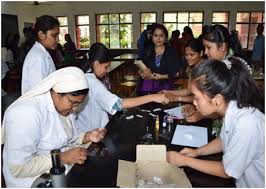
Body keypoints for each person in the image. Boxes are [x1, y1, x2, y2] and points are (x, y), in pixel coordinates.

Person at [2, 67, 107, 187]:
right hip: (31, 181)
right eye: (73, 103)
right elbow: (19, 168)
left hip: (60, 171)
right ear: (57, 93)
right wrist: (62, 158)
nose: (75, 109)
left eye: (78, 104)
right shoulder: (26, 113)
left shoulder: (64, 107)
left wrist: (87, 136)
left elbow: (65, 137)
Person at [167, 59, 264, 188]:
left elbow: (226, 171)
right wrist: (198, 152)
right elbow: (224, 139)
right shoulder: (233, 109)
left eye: (196, 98)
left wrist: (185, 160)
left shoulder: (246, 124)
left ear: (217, 99)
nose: (194, 103)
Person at [75, 43, 170, 132]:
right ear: (96, 64)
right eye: (105, 67)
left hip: (92, 127)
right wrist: (152, 97)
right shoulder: (92, 82)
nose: (106, 71)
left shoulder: (86, 76)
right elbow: (117, 105)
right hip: (92, 130)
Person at [182, 24, 255, 123]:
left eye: (208, 47)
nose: (206, 52)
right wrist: (198, 108)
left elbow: (223, 105)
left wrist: (200, 115)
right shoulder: (226, 63)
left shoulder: (231, 68)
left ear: (222, 46)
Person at [137, 23, 181, 95]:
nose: (158, 38)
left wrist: (161, 76)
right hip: (147, 84)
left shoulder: (172, 52)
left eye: (161, 36)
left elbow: (176, 74)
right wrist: (141, 73)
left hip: (165, 86)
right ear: (152, 37)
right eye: (155, 35)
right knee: (147, 103)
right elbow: (139, 65)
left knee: (163, 104)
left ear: (165, 37)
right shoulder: (148, 50)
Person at [21, 15, 60, 95]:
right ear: (41, 35)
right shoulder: (37, 58)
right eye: (54, 35)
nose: (57, 39)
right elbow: (38, 92)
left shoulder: (42, 53)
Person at [160, 39, 205, 103]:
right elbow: (188, 91)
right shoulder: (190, 68)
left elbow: (203, 98)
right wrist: (167, 92)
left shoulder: (207, 69)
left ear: (201, 53)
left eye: (192, 55)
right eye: (186, 55)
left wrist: (177, 98)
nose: (188, 58)